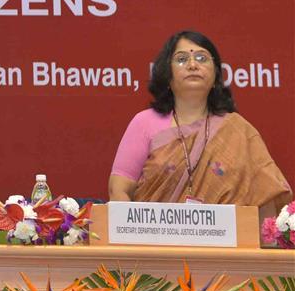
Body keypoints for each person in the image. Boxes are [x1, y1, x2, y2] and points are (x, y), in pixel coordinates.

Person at [109, 30, 291, 219]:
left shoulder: (238, 130)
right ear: (167, 76)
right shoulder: (144, 122)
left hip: (224, 244)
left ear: (215, 76)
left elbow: (265, 196)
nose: (193, 65)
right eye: (181, 59)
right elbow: (118, 189)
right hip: (153, 243)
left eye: (202, 58)